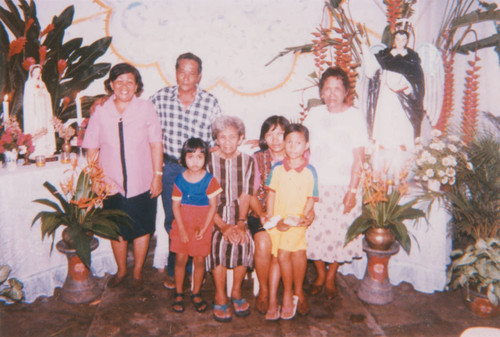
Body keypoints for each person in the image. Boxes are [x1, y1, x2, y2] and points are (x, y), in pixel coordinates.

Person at [83, 63, 163, 290]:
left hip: (143, 181)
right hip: (110, 183)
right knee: (116, 230)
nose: (124, 86)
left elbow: (156, 144)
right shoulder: (101, 110)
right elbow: (92, 148)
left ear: (137, 86)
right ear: (111, 85)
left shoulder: (146, 108)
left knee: (142, 228)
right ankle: (122, 270)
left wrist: (157, 176)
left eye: (130, 81)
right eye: (119, 81)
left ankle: (137, 272)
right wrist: (94, 179)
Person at [149, 52, 222, 289]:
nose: (186, 77)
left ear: (199, 76)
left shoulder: (210, 102)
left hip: (199, 172)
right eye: (182, 71)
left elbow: (218, 139)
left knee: (197, 218)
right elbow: (144, 127)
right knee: (173, 218)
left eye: (192, 72)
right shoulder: (160, 98)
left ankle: (194, 270)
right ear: (176, 71)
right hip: (170, 169)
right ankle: (174, 269)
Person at [303, 67, 367, 300]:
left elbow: (359, 158)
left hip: (343, 185)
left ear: (346, 92)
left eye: (337, 88)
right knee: (314, 232)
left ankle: (331, 278)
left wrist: (352, 190)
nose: (331, 93)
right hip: (316, 185)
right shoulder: (315, 114)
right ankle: (320, 274)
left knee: (340, 233)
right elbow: (300, 144)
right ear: (321, 92)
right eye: (327, 88)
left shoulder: (355, 116)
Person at [262, 123, 318, 320]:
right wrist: (270, 214)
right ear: (284, 144)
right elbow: (271, 192)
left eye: (298, 142)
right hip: (278, 220)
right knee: (277, 256)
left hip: (296, 222)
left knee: (285, 255)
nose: (293, 146)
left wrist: (305, 215)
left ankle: (288, 294)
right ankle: (280, 298)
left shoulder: (310, 171)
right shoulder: (277, 168)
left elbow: (312, 197)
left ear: (306, 145)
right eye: (289, 142)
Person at [206, 115, 254, 322]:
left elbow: (246, 195)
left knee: (244, 241)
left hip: (238, 213)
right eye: (222, 137)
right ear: (216, 139)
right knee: (217, 243)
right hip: (212, 214)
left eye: (232, 137)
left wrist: (241, 223)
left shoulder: (248, 161)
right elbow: (204, 200)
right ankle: (219, 293)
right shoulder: (208, 162)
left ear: (241, 138)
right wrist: (224, 226)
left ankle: (236, 291)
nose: (227, 142)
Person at [169, 137, 222, 313]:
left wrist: (205, 228)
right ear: (184, 158)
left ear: (205, 158)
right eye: (190, 156)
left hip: (202, 224)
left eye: (199, 157)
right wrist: (183, 230)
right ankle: (178, 293)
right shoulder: (179, 179)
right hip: (183, 223)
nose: (195, 161)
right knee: (181, 259)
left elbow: (213, 206)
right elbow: (176, 206)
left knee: (199, 261)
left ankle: (196, 292)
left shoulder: (210, 179)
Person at [247, 115, 290, 315]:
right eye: (270, 134)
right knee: (264, 242)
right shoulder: (257, 158)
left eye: (280, 133)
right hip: (261, 211)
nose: (275, 139)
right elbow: (251, 194)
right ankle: (264, 291)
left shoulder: (297, 157)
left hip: (289, 214)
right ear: (264, 137)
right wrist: (263, 214)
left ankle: (279, 294)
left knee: (281, 244)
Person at [362, 29, 425, 151]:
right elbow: (371, 67)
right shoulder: (386, 55)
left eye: (403, 39)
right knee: (385, 121)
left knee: (402, 124)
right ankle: (384, 149)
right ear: (394, 40)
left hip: (403, 97)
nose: (400, 42)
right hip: (387, 95)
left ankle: (403, 150)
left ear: (407, 41)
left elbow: (417, 81)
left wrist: (407, 86)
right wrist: (364, 45)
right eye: (397, 39)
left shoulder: (412, 58)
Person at [23, 64, 56, 158]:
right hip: (34, 110)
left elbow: (47, 95)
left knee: (45, 127)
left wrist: (44, 94)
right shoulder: (29, 84)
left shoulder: (42, 84)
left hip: (43, 110)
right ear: (32, 72)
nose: (37, 74)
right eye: (35, 72)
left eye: (39, 72)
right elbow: (28, 97)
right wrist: (37, 94)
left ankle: (46, 150)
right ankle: (36, 151)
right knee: (37, 127)